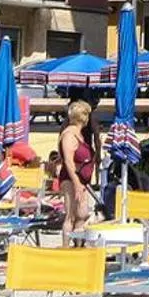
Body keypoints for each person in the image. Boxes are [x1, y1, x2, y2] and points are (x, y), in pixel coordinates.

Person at [54, 100, 100, 234]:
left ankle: (78, 243)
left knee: (82, 215)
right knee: (71, 216)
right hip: (71, 178)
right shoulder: (69, 135)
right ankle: (65, 245)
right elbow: (68, 161)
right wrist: (76, 183)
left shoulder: (79, 134)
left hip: (82, 179)